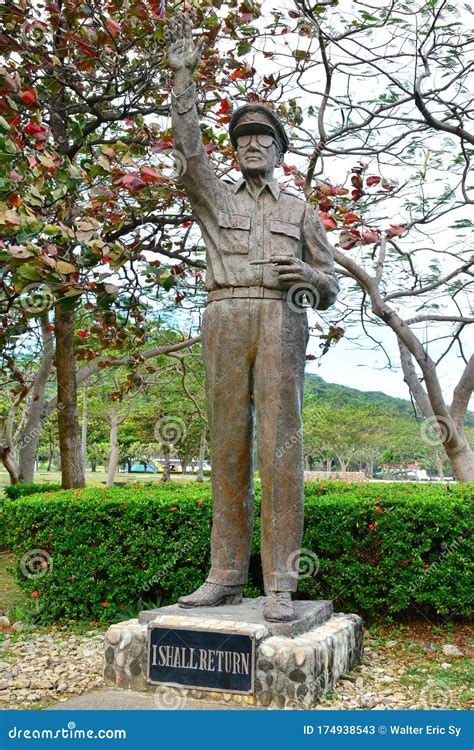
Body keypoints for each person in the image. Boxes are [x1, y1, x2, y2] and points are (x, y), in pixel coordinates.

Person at [165, 13, 339, 621]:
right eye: (242, 139)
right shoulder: (213, 197)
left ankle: (281, 584)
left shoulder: (301, 211)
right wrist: (183, 79)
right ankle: (225, 576)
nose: (253, 145)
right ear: (234, 150)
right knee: (228, 448)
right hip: (225, 315)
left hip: (282, 320)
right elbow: (188, 151)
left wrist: (312, 279)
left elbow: (331, 286)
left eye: (264, 138)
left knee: (280, 449)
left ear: (280, 148)